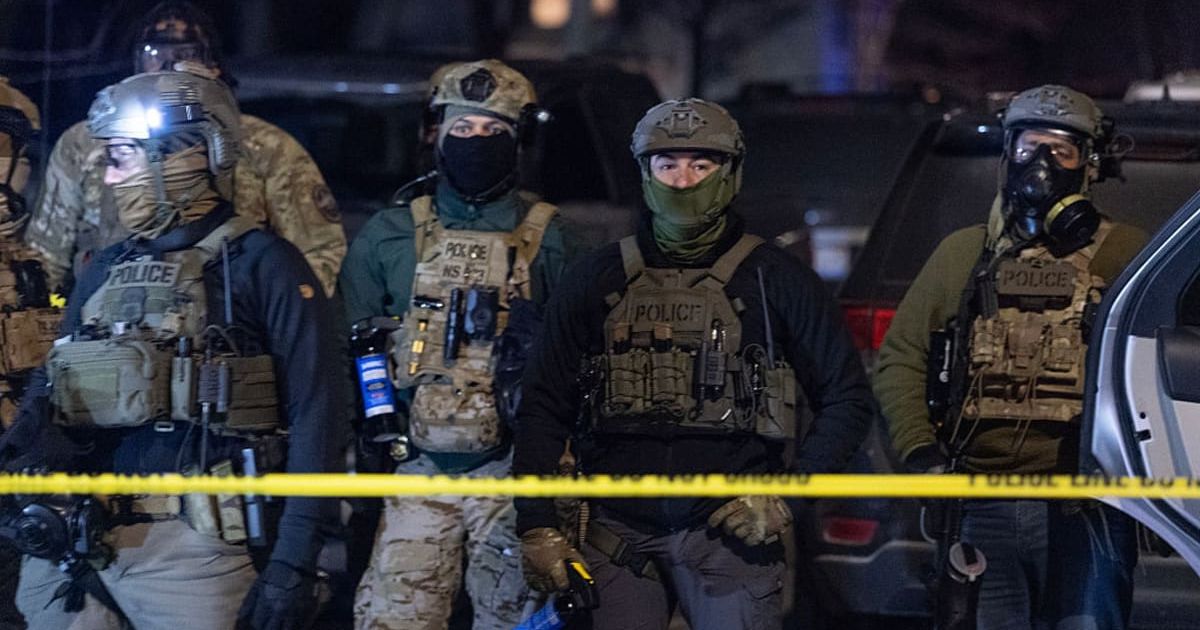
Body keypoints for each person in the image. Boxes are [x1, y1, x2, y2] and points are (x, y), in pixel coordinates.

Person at [512, 98, 874, 630]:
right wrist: (538, 524)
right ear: (645, 173)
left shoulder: (777, 279)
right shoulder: (597, 278)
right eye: (667, 164)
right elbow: (543, 405)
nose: (683, 181)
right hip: (616, 534)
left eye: (701, 164)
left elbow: (848, 398)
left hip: (731, 535)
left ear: (730, 174)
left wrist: (787, 498)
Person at [1, 70, 343, 630]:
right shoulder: (104, 269)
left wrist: (293, 563)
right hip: (82, 552)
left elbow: (319, 416)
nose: (110, 179)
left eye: (122, 157)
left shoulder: (263, 266)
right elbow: (54, 386)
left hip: (196, 560)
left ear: (180, 156)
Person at [874, 85, 1148, 629]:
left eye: (1061, 152)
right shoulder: (964, 255)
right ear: (1007, 154)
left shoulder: (1126, 254)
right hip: (981, 502)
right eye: (1029, 147)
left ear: (1088, 165)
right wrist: (921, 454)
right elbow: (901, 356)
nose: (1041, 164)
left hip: (1084, 506)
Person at [342, 59, 575, 630]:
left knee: (516, 620)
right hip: (416, 470)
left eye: (494, 131)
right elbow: (349, 348)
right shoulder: (391, 235)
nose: (477, 142)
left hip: (513, 476)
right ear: (436, 136)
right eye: (463, 130)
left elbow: (578, 362)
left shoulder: (555, 240)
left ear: (518, 140)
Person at [25, 0, 346, 296]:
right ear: (138, 63)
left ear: (213, 65)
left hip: (227, 323)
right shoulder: (86, 143)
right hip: (109, 323)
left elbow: (317, 253)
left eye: (186, 54)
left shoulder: (264, 146)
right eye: (154, 53)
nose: (168, 66)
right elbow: (46, 257)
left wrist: (281, 318)